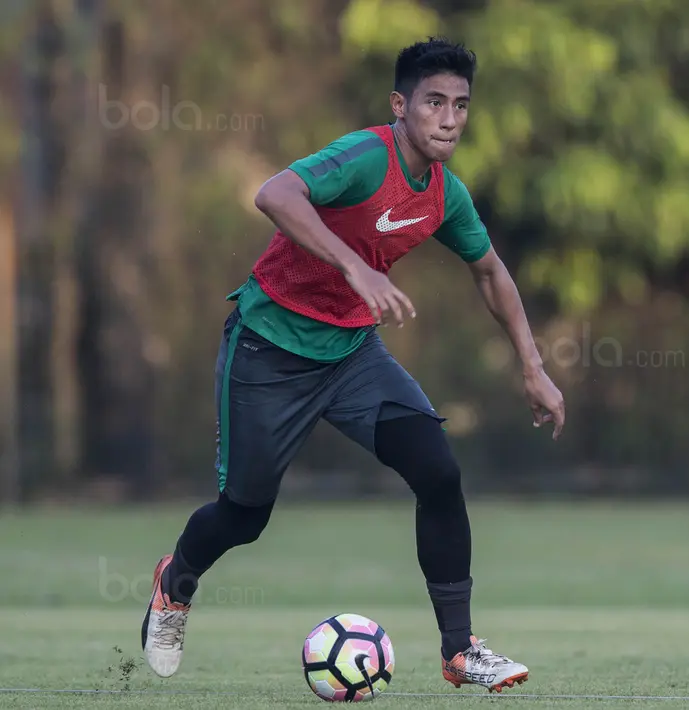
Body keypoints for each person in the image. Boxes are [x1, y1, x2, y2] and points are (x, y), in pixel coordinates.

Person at [140, 38, 565, 693]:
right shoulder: (366, 157)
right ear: (401, 106)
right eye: (433, 102)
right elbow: (274, 193)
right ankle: (174, 585)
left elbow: (489, 270)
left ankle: (460, 651)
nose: (449, 118)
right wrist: (356, 265)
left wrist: (533, 367)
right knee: (244, 517)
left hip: (350, 358)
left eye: (460, 105)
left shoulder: (443, 196)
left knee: (438, 471)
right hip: (267, 350)